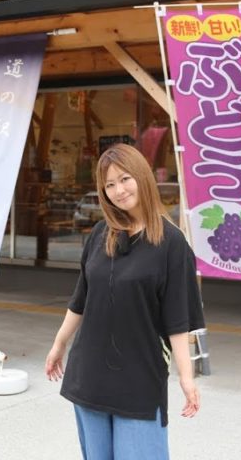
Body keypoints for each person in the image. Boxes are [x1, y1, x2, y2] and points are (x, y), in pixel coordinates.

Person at [45, 143, 205, 460]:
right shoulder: (100, 234)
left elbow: (177, 320)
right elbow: (81, 298)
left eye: (125, 179)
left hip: (139, 379)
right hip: (89, 373)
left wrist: (186, 379)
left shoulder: (172, 243)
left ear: (142, 177)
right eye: (109, 184)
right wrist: (59, 344)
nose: (119, 190)